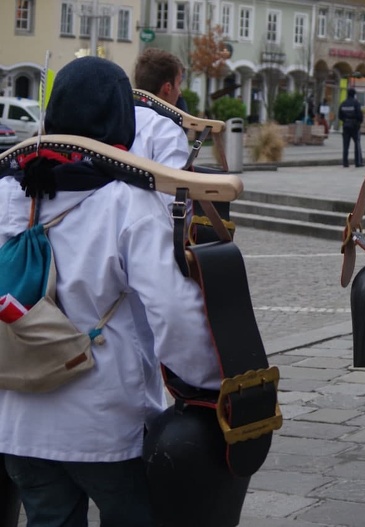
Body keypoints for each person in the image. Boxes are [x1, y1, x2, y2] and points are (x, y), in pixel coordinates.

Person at [0, 56, 220, 526]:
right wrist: (208, 384)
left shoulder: (8, 190)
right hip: (104, 421)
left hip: (18, 422)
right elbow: (173, 311)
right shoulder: (128, 201)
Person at [130, 48, 190, 168]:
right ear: (167, 88)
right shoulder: (168, 131)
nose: (180, 93)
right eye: (178, 84)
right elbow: (173, 182)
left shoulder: (117, 119)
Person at [339, 88, 364, 168]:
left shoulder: (343, 103)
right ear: (354, 94)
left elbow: (340, 116)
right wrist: (358, 122)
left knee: (345, 145)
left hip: (345, 125)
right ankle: (358, 162)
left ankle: (345, 163)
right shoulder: (356, 103)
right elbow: (360, 115)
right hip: (354, 126)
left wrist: (345, 120)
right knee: (357, 144)